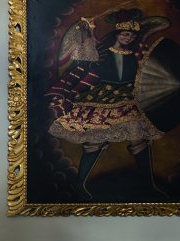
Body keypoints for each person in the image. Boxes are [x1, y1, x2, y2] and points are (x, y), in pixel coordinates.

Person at [46, 8, 170, 200]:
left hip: (128, 99)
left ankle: (149, 186)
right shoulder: (102, 53)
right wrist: (87, 29)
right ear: (117, 34)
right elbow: (86, 55)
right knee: (95, 140)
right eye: (125, 34)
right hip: (100, 99)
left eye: (131, 36)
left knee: (138, 137)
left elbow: (148, 75)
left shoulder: (136, 55)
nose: (128, 38)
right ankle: (79, 184)